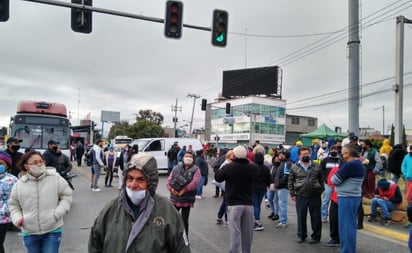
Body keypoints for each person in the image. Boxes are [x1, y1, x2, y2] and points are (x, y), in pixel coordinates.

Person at [88, 153, 190, 253]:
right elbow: (95, 244)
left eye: (140, 179)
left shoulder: (167, 211)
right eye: (130, 178)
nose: (133, 185)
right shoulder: (111, 209)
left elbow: (181, 248)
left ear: (151, 183)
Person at [8, 150, 73, 253]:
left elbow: (67, 195)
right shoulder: (19, 184)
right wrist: (18, 218)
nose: (39, 164)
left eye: (41, 161)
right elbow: (13, 204)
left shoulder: (55, 178)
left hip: (52, 229)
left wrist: (58, 212)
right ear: (26, 166)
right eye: (35, 162)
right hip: (29, 231)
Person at [214, 146, 259, 253]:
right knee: (247, 233)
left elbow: (218, 177)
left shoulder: (229, 167)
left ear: (234, 155)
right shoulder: (253, 167)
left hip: (233, 203)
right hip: (248, 202)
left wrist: (227, 163)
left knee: (235, 232)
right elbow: (259, 174)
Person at [331, 144, 365, 253]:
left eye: (344, 152)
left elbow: (334, 180)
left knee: (345, 227)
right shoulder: (359, 164)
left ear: (348, 153)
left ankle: (347, 250)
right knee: (350, 226)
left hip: (347, 198)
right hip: (353, 197)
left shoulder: (349, 165)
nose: (342, 154)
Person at [288, 146, 324, 244]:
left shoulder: (316, 166)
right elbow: (290, 181)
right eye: (303, 154)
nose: (305, 156)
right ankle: (301, 235)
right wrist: (292, 194)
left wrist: (320, 190)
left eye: (307, 154)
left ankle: (316, 236)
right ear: (299, 156)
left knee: (316, 217)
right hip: (300, 195)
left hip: (315, 195)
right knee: (301, 216)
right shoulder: (294, 167)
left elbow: (321, 179)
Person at [167, 151, 200, 237]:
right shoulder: (176, 168)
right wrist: (172, 189)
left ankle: (185, 238)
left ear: (193, 159)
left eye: (190, 157)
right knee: (172, 218)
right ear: (183, 157)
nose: (188, 158)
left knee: (184, 219)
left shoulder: (196, 169)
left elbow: (195, 183)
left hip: (187, 199)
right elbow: (169, 181)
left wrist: (184, 190)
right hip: (175, 198)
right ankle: (171, 236)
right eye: (186, 156)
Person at [0, 152, 18, 253]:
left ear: (7, 166)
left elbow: (14, 199)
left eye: (1, 163)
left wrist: (4, 211)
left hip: (2, 218)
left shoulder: (12, 180)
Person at [320, 145, 342, 223]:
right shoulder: (325, 160)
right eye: (332, 149)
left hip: (337, 184)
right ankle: (324, 216)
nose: (333, 151)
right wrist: (325, 179)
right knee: (326, 200)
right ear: (329, 150)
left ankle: (336, 216)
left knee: (337, 201)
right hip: (328, 184)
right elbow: (321, 170)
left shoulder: (340, 161)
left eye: (335, 150)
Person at [273, 149, 293, 229]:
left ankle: (284, 221)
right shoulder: (282, 163)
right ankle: (282, 219)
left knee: (282, 204)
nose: (280, 155)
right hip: (280, 186)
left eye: (282, 154)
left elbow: (286, 176)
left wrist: (279, 184)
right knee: (280, 203)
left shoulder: (287, 163)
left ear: (285, 155)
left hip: (283, 187)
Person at [252, 151, 271, 231]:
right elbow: (269, 179)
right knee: (258, 205)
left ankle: (258, 222)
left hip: (253, 188)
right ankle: (257, 219)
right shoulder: (266, 168)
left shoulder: (252, 167)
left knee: (255, 205)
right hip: (263, 188)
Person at [214, 150, 234, 225]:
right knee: (227, 203)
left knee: (225, 202)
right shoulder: (226, 164)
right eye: (233, 156)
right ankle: (227, 219)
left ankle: (219, 217)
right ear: (229, 156)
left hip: (225, 186)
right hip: (226, 186)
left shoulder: (227, 163)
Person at [324, 165, 340, 247]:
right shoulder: (336, 168)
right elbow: (330, 181)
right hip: (336, 198)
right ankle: (335, 238)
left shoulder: (355, 167)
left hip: (348, 199)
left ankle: (342, 239)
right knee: (333, 219)